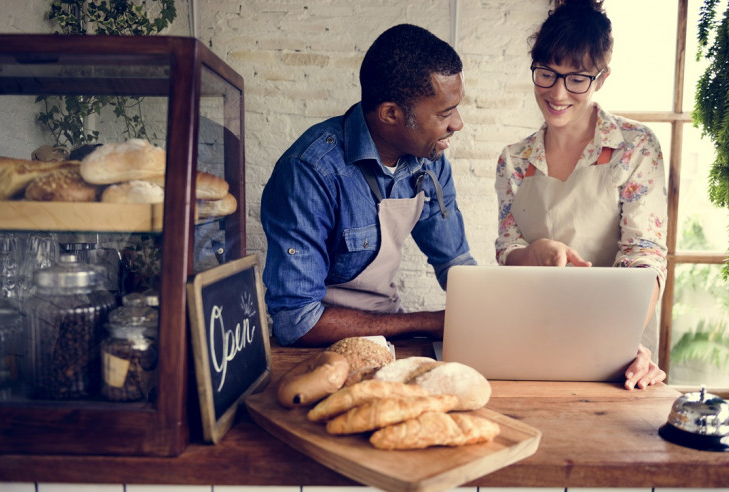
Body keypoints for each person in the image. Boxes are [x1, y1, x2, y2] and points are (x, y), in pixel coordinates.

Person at [261, 24, 475, 347]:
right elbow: (297, 321)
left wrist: (488, 309)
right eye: (445, 113)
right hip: (320, 345)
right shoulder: (310, 171)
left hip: (390, 332)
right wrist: (428, 323)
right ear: (390, 114)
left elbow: (454, 263)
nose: (458, 123)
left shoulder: (429, 160)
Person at [494, 0, 668, 390]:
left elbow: (644, 254)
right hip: (533, 334)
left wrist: (618, 340)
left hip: (618, 348)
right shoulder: (514, 160)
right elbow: (507, 249)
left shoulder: (635, 147)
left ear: (601, 79)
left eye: (577, 79)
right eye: (546, 73)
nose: (557, 92)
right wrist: (534, 252)